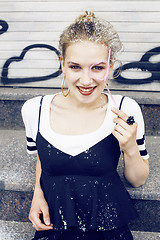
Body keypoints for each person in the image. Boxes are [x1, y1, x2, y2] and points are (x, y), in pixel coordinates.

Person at [22, 11, 149, 240]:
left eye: (97, 68)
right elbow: (43, 158)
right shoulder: (35, 110)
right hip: (55, 227)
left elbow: (138, 180)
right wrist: (37, 196)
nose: (86, 80)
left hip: (108, 230)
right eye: (75, 67)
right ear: (62, 64)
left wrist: (130, 146)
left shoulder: (125, 109)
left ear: (110, 67)